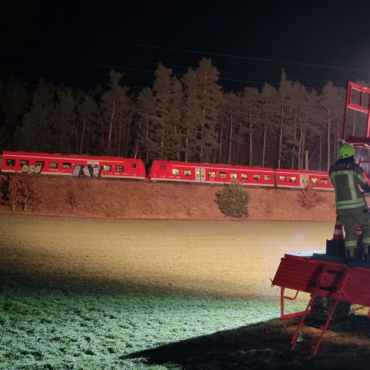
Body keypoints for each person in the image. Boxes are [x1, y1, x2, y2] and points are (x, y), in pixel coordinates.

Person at [329, 143, 370, 268]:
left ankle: (352, 259)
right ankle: (368, 257)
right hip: (357, 206)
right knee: (367, 227)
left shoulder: (333, 170)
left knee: (350, 232)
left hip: (341, 208)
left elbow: (334, 184)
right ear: (352, 154)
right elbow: (364, 184)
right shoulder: (354, 168)